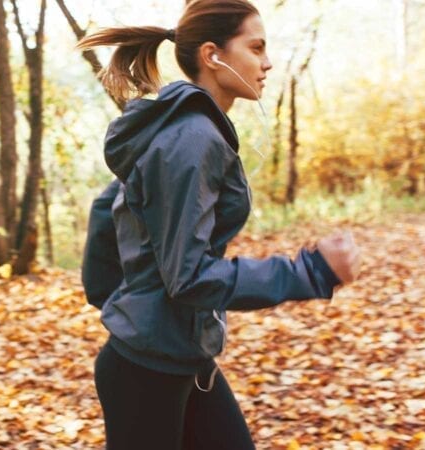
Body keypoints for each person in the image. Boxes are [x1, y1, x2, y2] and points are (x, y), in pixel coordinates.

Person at [78, 1, 362, 449]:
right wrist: (309, 271)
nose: (267, 62)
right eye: (256, 47)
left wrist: (121, 301)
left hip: (178, 356)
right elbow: (188, 277)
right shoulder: (192, 138)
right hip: (147, 371)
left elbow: (107, 208)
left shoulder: (180, 128)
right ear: (213, 55)